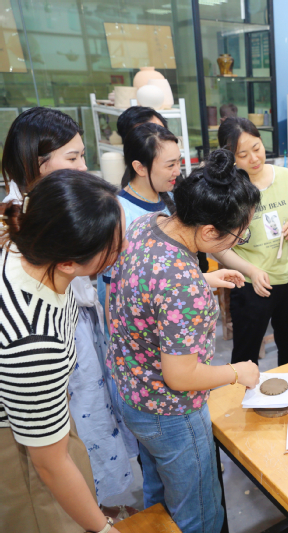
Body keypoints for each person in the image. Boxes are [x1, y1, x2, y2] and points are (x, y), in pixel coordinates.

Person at [107, 149, 261, 533]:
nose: (240, 239)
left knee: (158, 493)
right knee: (199, 513)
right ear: (209, 232)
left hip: (133, 393)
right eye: (239, 234)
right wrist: (237, 372)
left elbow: (146, 287)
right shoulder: (181, 284)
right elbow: (180, 376)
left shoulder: (147, 224)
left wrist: (203, 280)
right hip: (170, 412)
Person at [1, 107, 135, 510]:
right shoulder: (33, 340)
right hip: (28, 433)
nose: (82, 166)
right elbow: (49, 461)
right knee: (53, 476)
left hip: (50, 393)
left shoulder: (35, 245)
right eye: (73, 157)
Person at [213, 117, 288, 367]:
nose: (254, 159)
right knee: (245, 356)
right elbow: (219, 248)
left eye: (257, 148)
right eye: (243, 155)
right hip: (250, 285)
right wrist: (252, 271)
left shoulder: (286, 177)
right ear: (230, 157)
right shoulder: (228, 192)